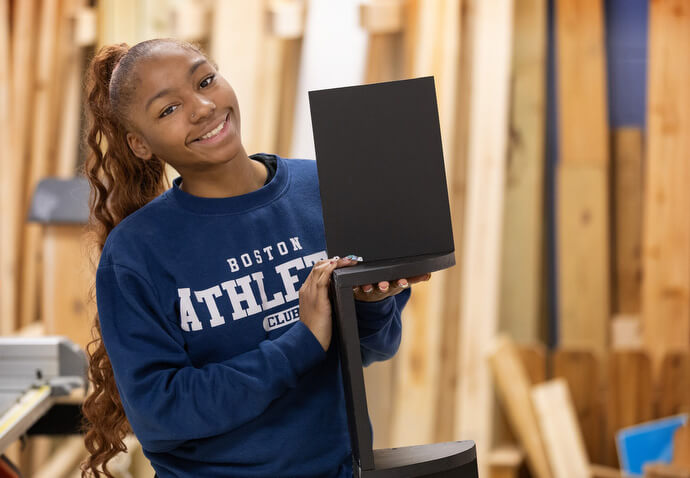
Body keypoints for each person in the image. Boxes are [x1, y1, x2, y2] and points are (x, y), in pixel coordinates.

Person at [79, 38, 431, 478]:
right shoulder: (136, 252)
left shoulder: (324, 189)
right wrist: (300, 342)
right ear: (140, 144)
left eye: (205, 80)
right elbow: (161, 414)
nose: (203, 107)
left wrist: (372, 302)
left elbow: (371, 349)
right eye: (168, 109)